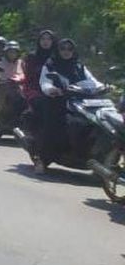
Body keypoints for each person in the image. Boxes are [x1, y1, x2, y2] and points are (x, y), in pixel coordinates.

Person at [34, 38, 100, 174]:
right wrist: (51, 90)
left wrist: (103, 87)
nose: (66, 51)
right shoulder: (50, 65)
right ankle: (42, 159)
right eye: (63, 48)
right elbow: (45, 82)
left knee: (94, 122)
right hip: (57, 100)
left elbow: (93, 81)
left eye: (69, 49)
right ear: (58, 50)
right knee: (55, 124)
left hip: (80, 102)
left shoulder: (79, 66)